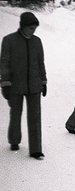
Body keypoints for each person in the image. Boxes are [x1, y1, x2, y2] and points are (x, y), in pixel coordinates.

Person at [0, 12, 47, 160]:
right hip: (15, 85)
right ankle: (14, 140)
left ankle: (36, 150)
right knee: (16, 114)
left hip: (34, 85)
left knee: (35, 116)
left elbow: (41, 63)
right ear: (23, 26)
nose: (33, 31)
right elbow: (4, 63)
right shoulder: (9, 40)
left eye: (35, 28)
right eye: (31, 28)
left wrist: (43, 81)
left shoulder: (37, 41)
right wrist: (5, 83)